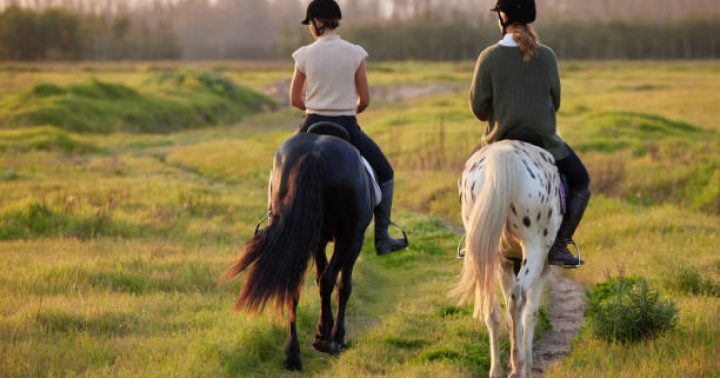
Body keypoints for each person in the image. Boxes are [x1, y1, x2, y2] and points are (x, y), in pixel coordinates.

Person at [469, 0, 591, 267]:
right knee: (581, 182)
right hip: (544, 141)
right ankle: (559, 245)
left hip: (499, 139)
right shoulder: (546, 56)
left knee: (469, 178)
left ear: (503, 17)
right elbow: (555, 101)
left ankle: (470, 239)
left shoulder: (488, 57)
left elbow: (478, 109)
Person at [289, 0, 408, 255]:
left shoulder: (304, 54)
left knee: (281, 165)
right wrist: (345, 108)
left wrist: (315, 106)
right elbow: (364, 100)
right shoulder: (355, 53)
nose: (310, 28)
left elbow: (294, 99)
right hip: (346, 126)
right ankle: (383, 237)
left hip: (311, 123)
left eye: (310, 23)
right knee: (385, 173)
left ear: (318, 22)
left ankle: (272, 221)